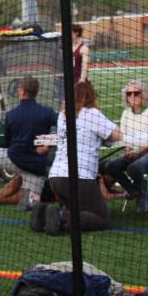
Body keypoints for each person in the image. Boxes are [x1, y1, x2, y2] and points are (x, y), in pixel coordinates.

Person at [0, 76, 58, 210]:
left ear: (22, 92)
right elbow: (65, 127)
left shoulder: (12, 114)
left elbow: (8, 142)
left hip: (15, 160)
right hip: (36, 166)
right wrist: (48, 143)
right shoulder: (47, 112)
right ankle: (31, 197)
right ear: (36, 92)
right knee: (33, 202)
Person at [46, 81, 121, 232]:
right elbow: (117, 135)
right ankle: (62, 216)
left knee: (77, 209)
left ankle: (42, 214)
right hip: (79, 177)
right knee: (102, 220)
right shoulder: (92, 114)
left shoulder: (63, 115)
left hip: (55, 176)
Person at [102, 79, 148, 212]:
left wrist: (139, 153)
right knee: (111, 167)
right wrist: (128, 151)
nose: (132, 96)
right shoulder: (126, 112)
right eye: (129, 93)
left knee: (134, 167)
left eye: (136, 93)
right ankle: (137, 191)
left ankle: (139, 191)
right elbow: (125, 137)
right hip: (135, 153)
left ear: (144, 94)